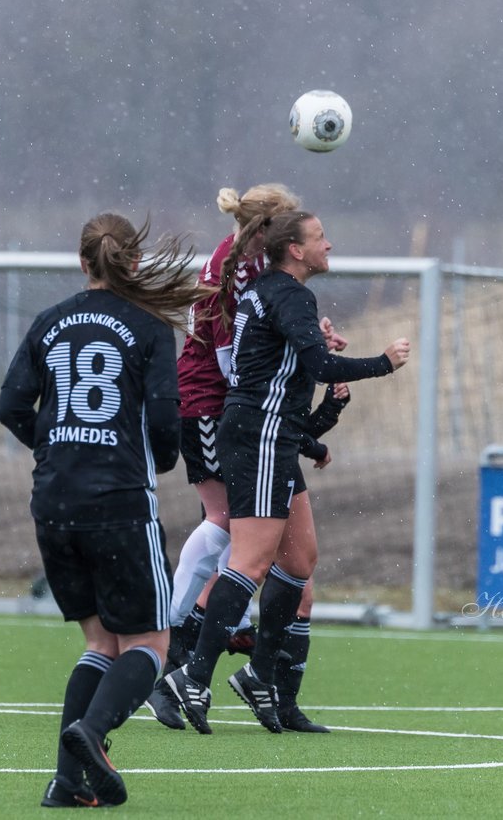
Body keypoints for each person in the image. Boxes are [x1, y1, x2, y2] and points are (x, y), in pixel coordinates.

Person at [165, 210, 409, 735]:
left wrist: (313, 428)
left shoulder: (269, 294)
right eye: (321, 238)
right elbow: (317, 367)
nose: (330, 244)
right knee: (249, 561)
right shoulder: (288, 294)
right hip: (258, 439)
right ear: (294, 250)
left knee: (299, 563)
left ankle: (257, 673)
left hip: (271, 435)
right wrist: (383, 362)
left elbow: (285, 368)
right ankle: (191, 674)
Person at [0, 213, 207, 808]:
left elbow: (11, 404)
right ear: (133, 262)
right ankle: (92, 732)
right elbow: (166, 420)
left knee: (100, 642)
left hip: (53, 498)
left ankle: (67, 781)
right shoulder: (146, 327)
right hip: (116, 498)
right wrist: (159, 459)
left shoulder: (50, 321)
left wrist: (53, 448)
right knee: (150, 644)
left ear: (82, 261)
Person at [146, 184, 347, 733]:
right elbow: (231, 356)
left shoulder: (259, 268)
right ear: (273, 233)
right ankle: (169, 647)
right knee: (228, 531)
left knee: (296, 566)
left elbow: (270, 346)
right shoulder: (235, 265)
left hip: (256, 414)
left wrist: (310, 345)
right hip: (217, 405)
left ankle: (269, 686)